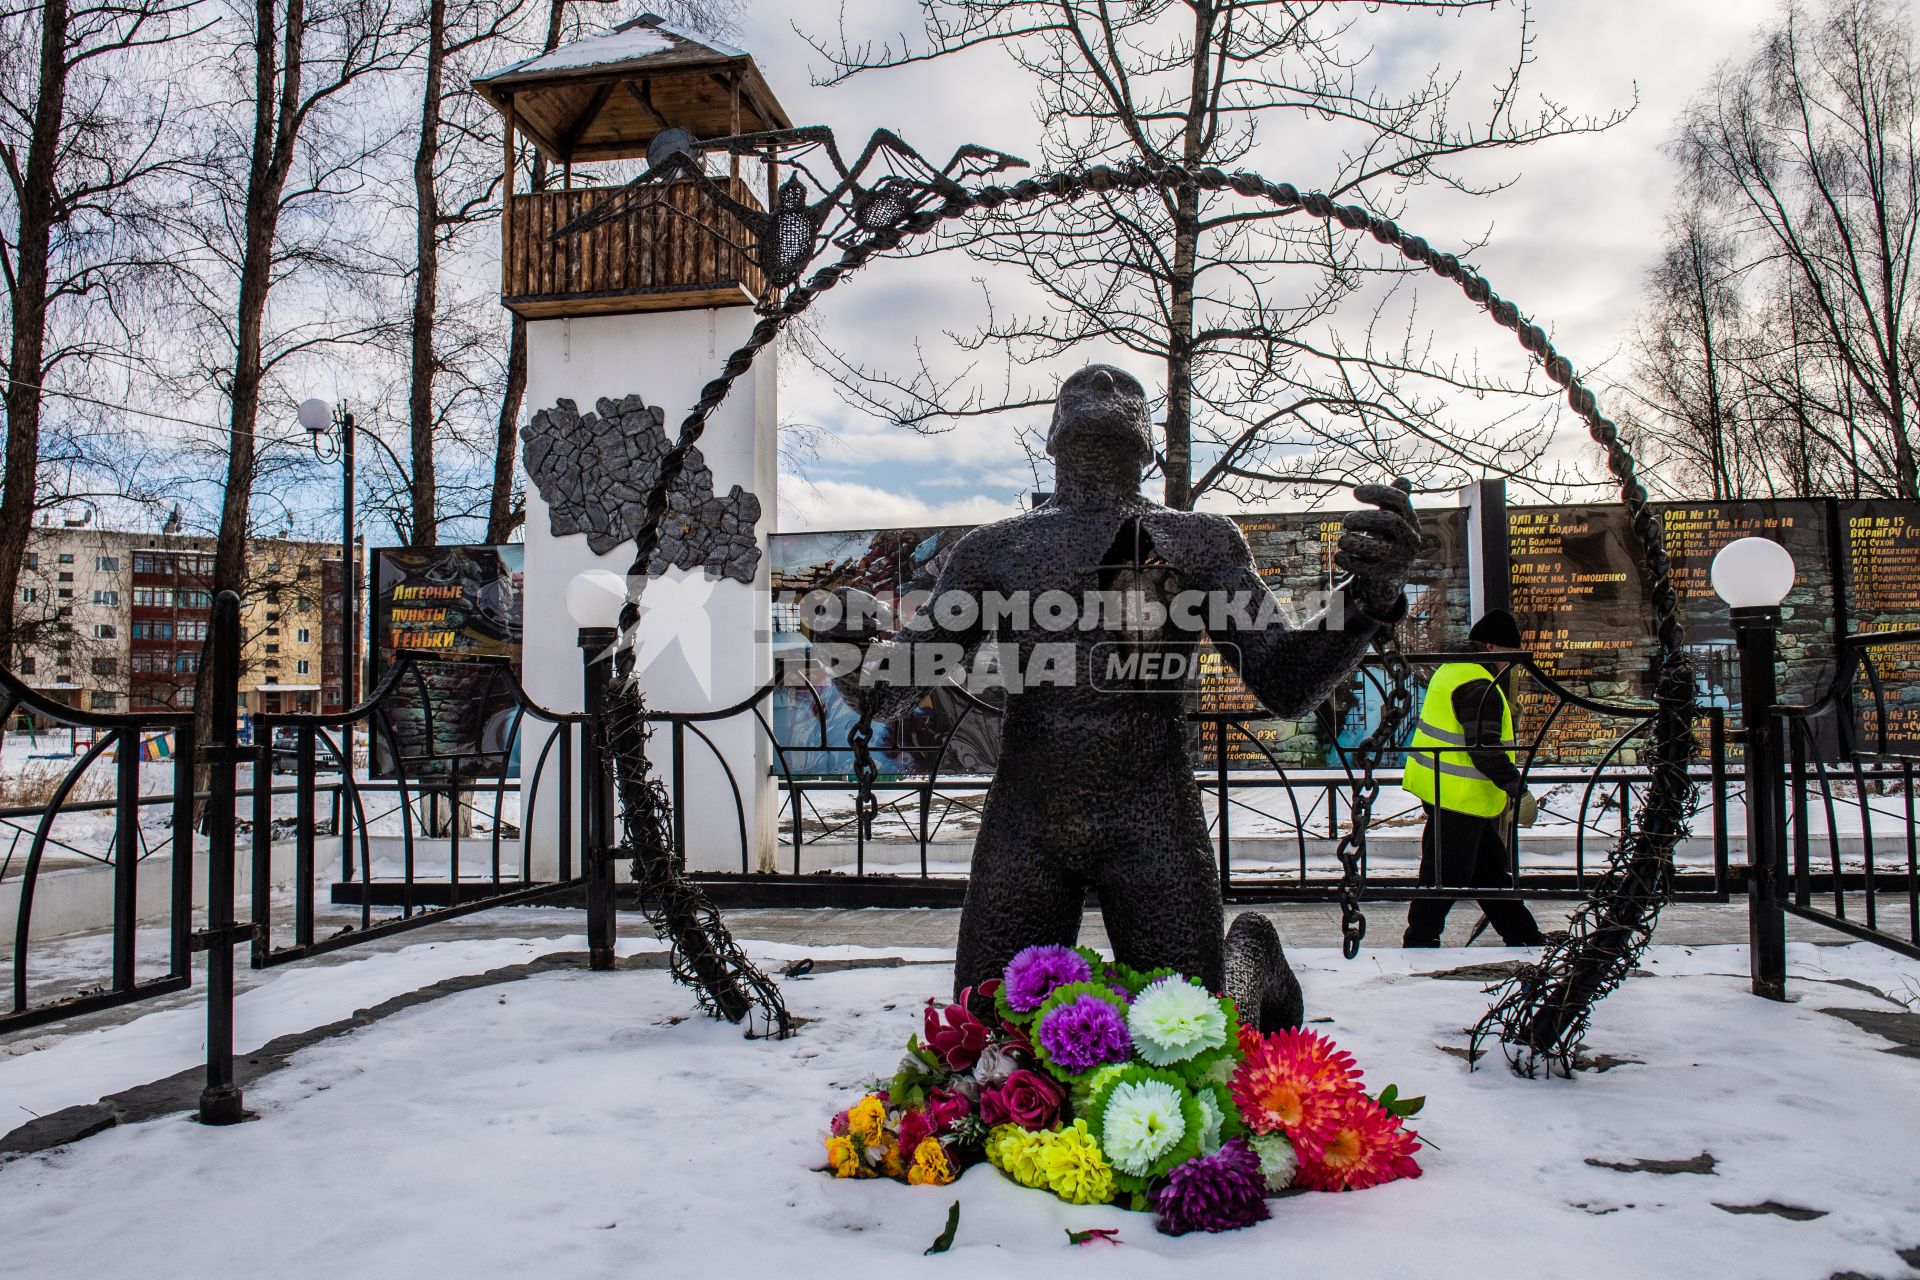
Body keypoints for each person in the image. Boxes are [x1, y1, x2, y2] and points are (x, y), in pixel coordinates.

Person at [810, 364, 1421, 1027]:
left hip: (1152, 817)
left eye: (1119, 399)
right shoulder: (997, 551)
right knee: (985, 1034)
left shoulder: (1197, 542)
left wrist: (1368, 600)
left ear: (1149, 447)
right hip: (1030, 823)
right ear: (1052, 438)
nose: (1101, 393)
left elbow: (1284, 682)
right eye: (1084, 399)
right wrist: (849, 649)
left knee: (1190, 1036)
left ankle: (1251, 956)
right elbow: (900, 687)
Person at [1401, 607, 1546, 948]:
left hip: (1445, 790)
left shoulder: (1453, 671)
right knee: (1445, 876)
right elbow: (1485, 749)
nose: (1513, 663)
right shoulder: (1479, 686)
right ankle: (1420, 941)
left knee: (1489, 873)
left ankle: (1524, 937)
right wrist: (1518, 791)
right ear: (1493, 648)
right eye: (1511, 654)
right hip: (1460, 795)